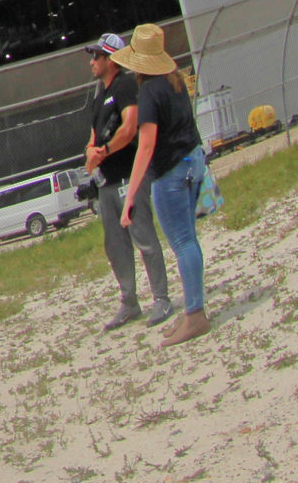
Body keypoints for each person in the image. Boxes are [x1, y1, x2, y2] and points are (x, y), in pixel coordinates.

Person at [116, 25, 211, 347]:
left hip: (170, 172)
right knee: (189, 241)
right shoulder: (175, 81)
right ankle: (193, 311)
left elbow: (146, 146)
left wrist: (130, 197)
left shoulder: (148, 93)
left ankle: (195, 315)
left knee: (182, 243)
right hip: (193, 161)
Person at [83, 30, 173, 331]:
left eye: (97, 56)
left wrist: (104, 151)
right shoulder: (99, 95)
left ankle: (161, 296)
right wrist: (91, 152)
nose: (92, 61)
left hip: (127, 177)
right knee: (115, 245)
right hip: (106, 182)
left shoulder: (124, 86)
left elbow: (131, 126)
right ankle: (129, 301)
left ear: (111, 59)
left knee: (143, 235)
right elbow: (94, 135)